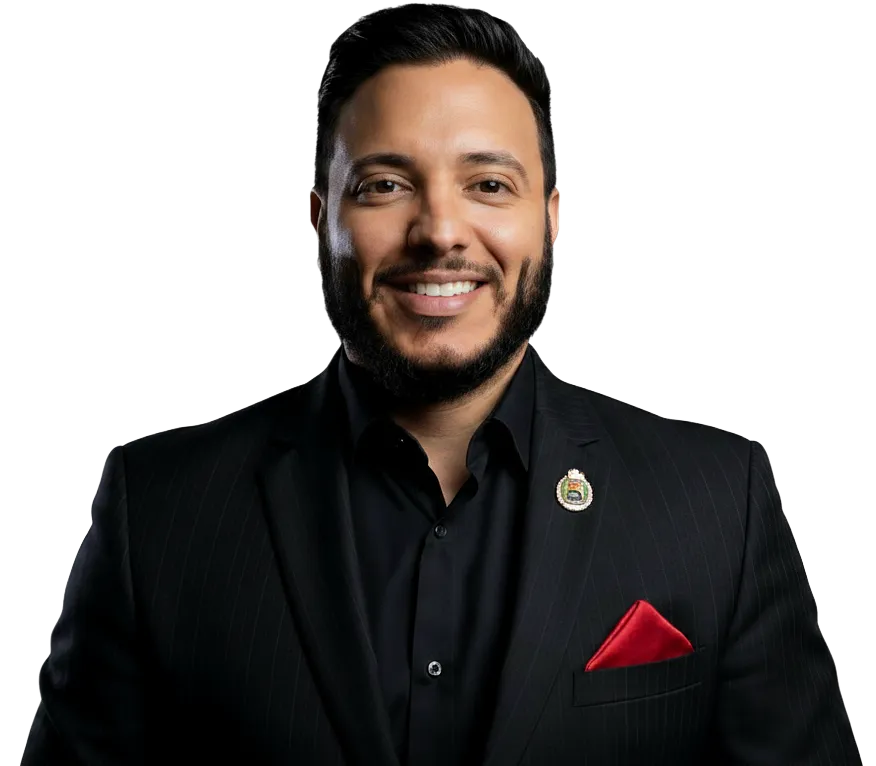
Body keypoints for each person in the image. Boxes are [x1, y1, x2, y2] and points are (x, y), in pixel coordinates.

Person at [22, 3, 860, 765]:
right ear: (319, 217)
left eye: (489, 185)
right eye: (385, 185)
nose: (440, 232)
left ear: (551, 217)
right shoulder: (157, 509)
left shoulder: (720, 501)